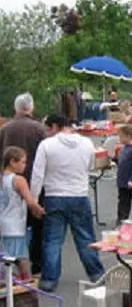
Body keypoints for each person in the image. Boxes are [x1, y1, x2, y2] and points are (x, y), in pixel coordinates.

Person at [31, 115, 105, 292]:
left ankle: (49, 280)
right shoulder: (86, 143)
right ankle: (97, 274)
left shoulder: (47, 145)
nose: (47, 133)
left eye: (48, 129)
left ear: (55, 126)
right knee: (85, 238)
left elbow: (38, 174)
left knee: (53, 240)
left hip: (54, 196)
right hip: (79, 195)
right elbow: (90, 166)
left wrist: (34, 201)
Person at [0, 92, 47, 274]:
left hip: (6, 182)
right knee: (37, 228)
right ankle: (34, 267)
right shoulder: (39, 129)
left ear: (16, 108)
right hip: (34, 184)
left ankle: (9, 273)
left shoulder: (5, 129)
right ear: (31, 108)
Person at [0, 147, 45, 279]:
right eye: (23, 162)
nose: (25, 166)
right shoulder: (19, 180)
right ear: (13, 162)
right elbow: (30, 201)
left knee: (4, 258)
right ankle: (26, 286)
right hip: (14, 226)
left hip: (2, 223)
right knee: (21, 258)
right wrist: (40, 211)